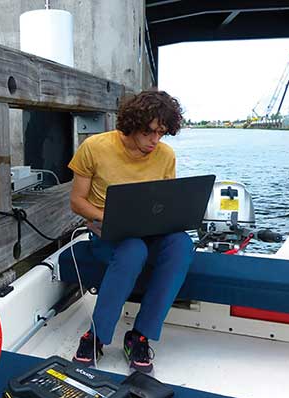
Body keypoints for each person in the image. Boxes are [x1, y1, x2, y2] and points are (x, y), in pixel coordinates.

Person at [67, 90, 194, 373]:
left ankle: (140, 335)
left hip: (150, 233)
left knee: (182, 245)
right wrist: (108, 217)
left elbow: (165, 204)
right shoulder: (95, 147)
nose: (155, 141)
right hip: (108, 234)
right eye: (150, 132)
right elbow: (77, 201)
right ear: (134, 122)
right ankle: (96, 335)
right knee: (133, 249)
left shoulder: (165, 155)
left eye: (161, 133)